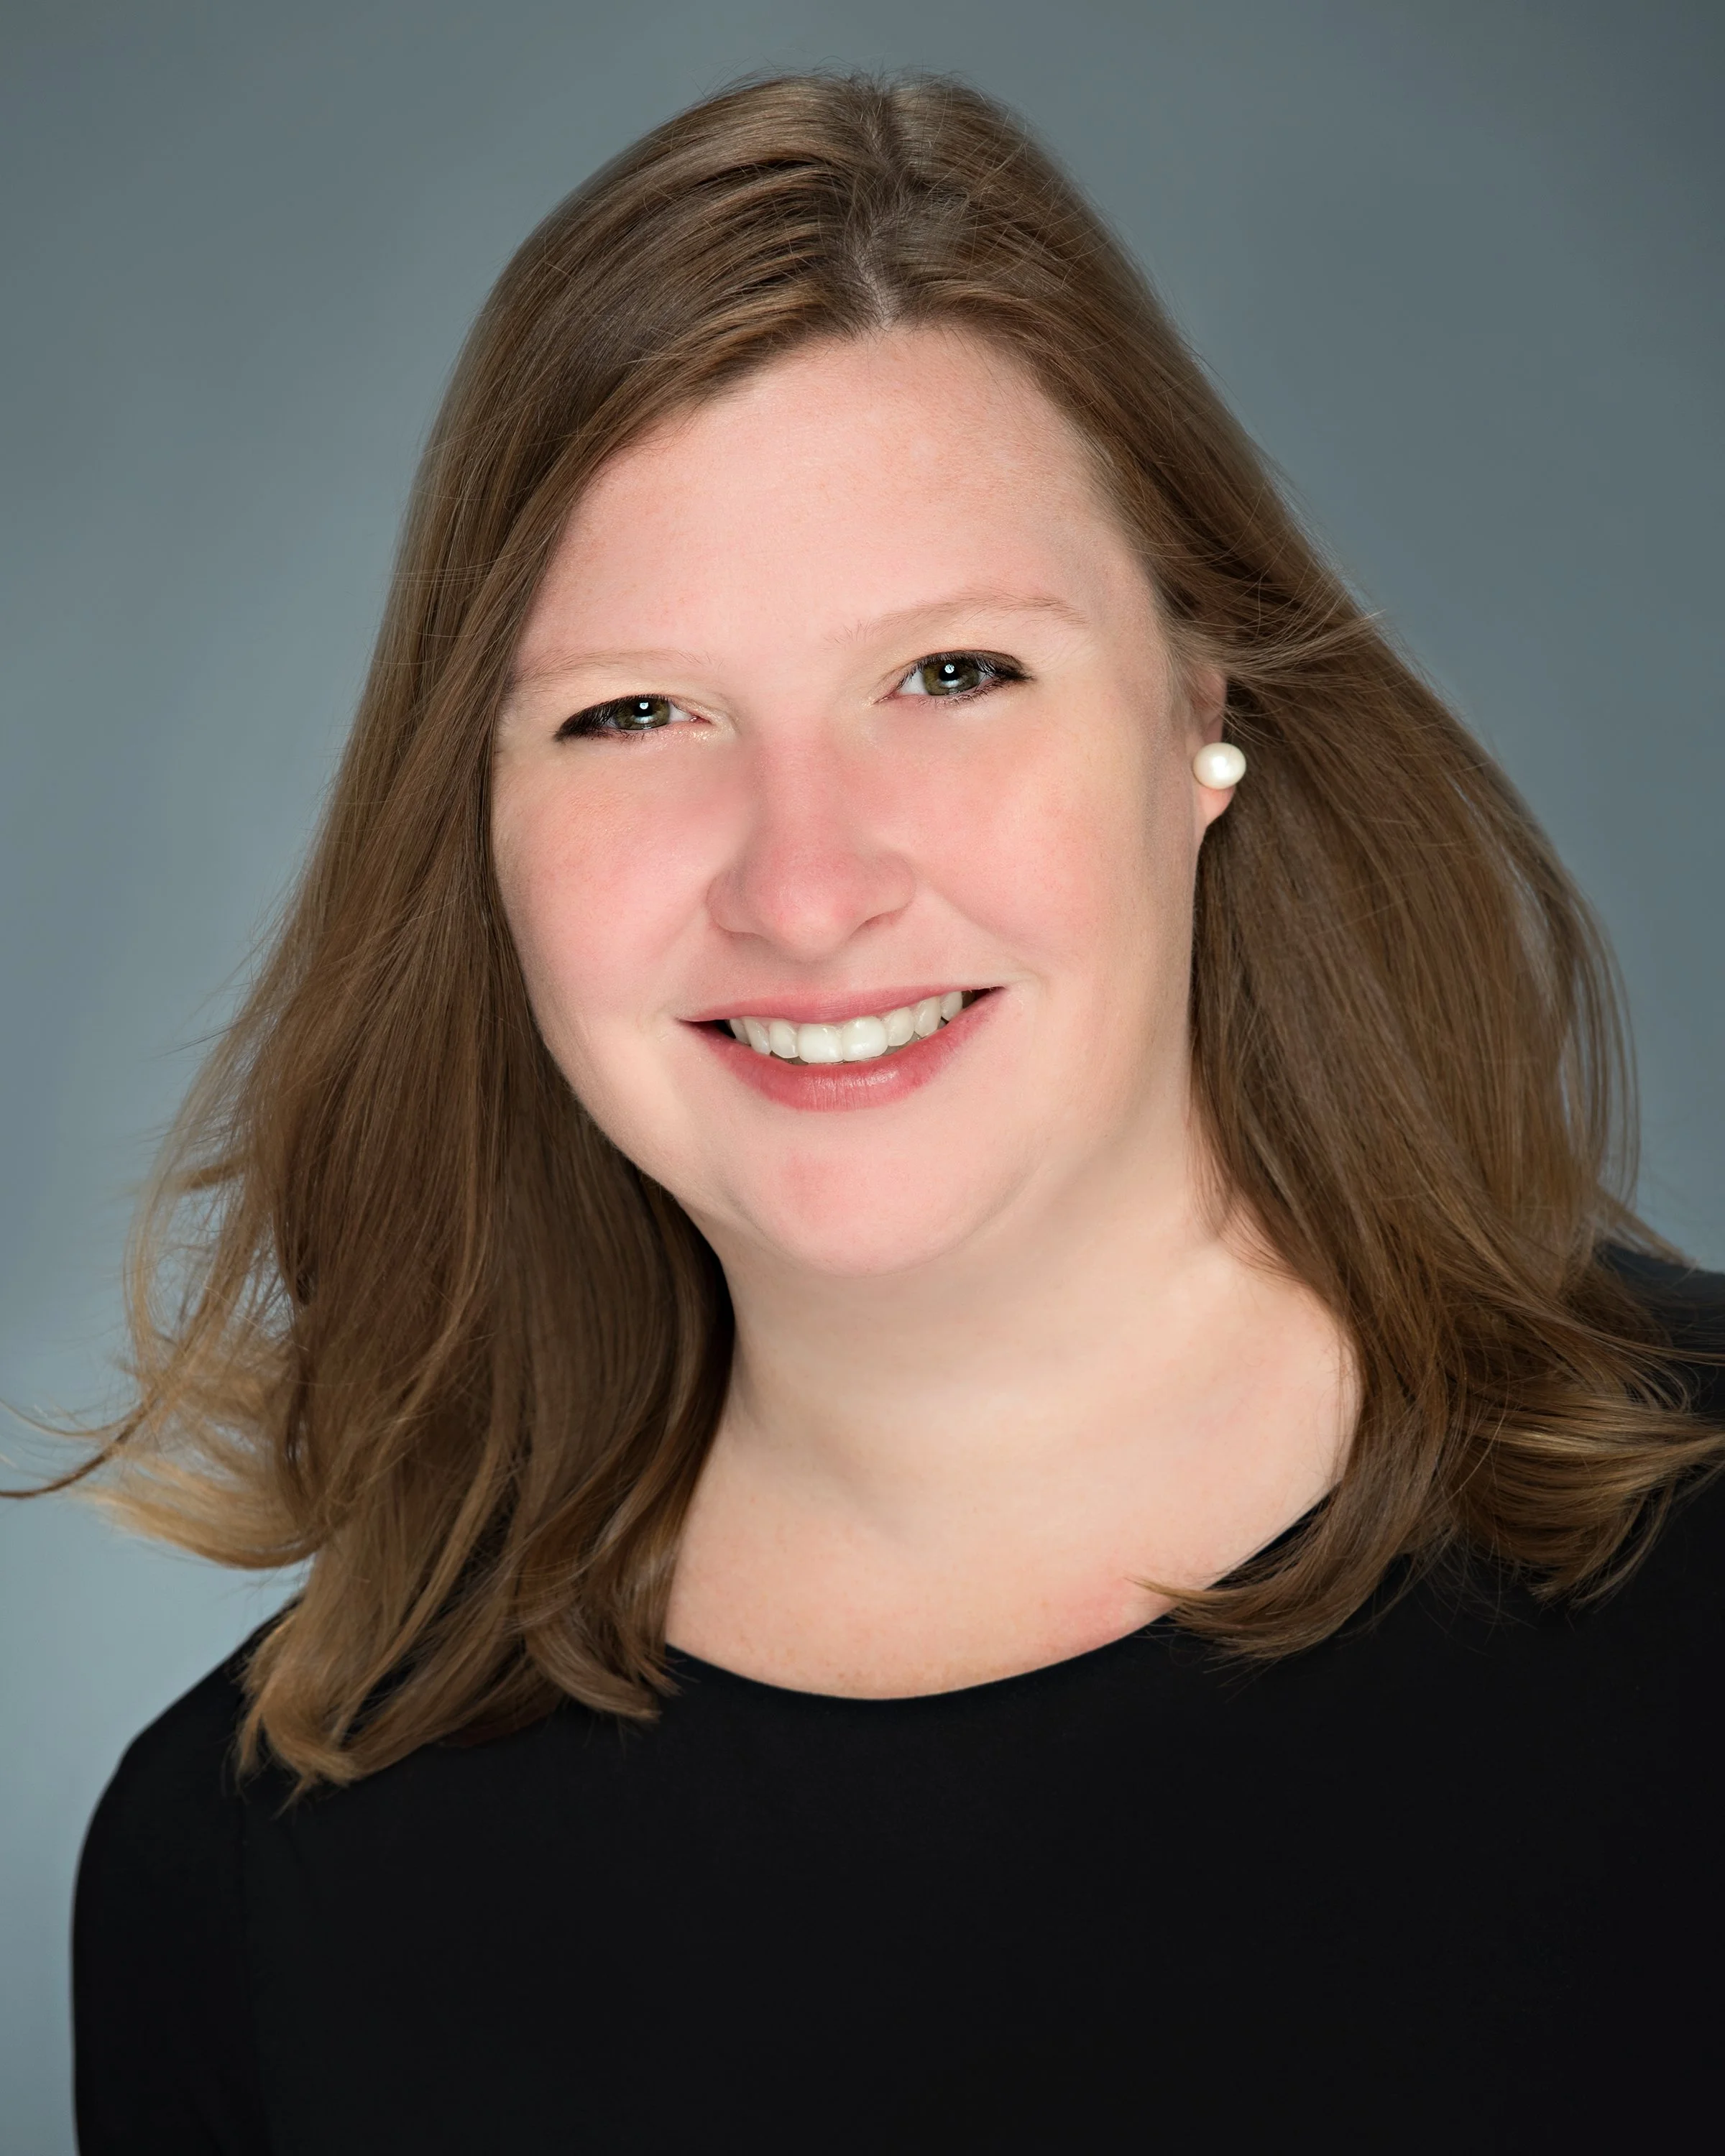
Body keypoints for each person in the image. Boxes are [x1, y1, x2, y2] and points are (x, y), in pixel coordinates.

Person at [60, 71, 1724, 2153]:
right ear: (476, 833)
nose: (806, 880)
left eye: (951, 675)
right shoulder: (247, 1885)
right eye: (633, 713)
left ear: (1204, 718)